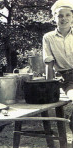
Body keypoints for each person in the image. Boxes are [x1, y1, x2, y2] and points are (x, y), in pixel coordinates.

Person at [43, 0, 73, 140]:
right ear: (54, 18)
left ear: (72, 17)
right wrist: (49, 86)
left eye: (68, 15)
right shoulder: (48, 38)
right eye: (60, 15)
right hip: (66, 78)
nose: (64, 18)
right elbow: (49, 63)